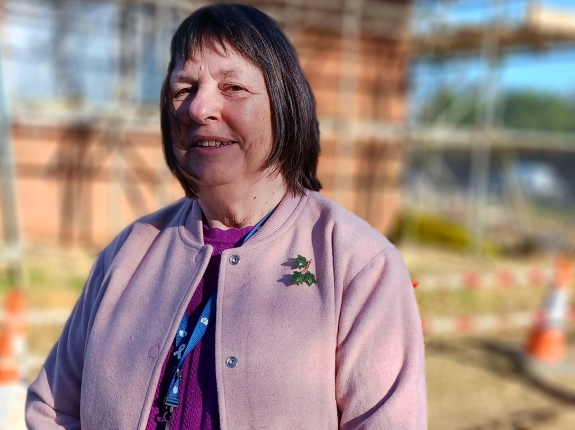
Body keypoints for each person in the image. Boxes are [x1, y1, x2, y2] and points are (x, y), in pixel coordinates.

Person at [26, 3, 427, 429]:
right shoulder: (128, 252)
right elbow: (53, 409)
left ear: (284, 102)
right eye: (183, 89)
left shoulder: (357, 263)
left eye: (233, 87)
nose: (198, 109)